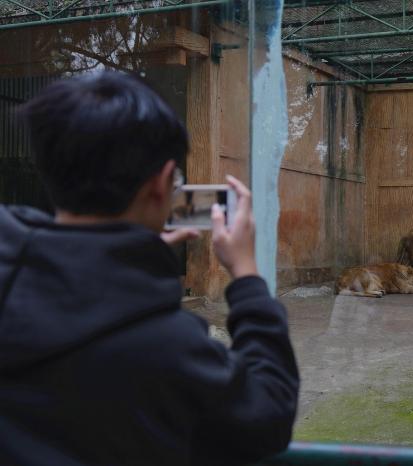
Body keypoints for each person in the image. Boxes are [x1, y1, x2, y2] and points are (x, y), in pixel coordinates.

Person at [0, 72, 299, 466]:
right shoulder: (170, 347)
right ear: (161, 185)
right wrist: (246, 275)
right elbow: (269, 412)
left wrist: (115, 265)